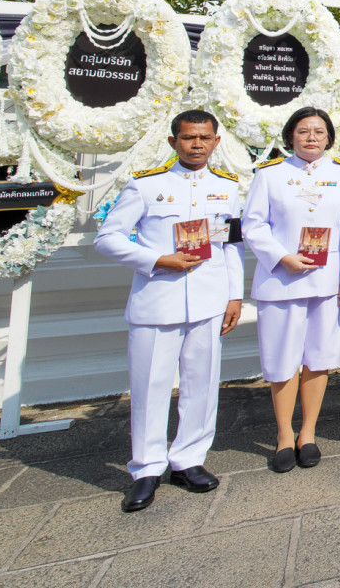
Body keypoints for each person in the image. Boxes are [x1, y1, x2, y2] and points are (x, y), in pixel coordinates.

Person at [96, 110, 244, 512]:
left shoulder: (227, 188)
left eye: (205, 138)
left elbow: (230, 245)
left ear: (216, 142)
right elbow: (107, 238)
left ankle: (189, 459)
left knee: (202, 383)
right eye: (189, 138)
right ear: (173, 141)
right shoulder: (146, 187)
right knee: (149, 387)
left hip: (209, 299)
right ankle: (146, 468)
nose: (197, 144)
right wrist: (158, 259)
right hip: (158, 298)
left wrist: (235, 295)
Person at [243, 107, 340, 472]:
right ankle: (282, 435)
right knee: (281, 361)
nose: (312, 137)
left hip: (328, 282)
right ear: (290, 136)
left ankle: (307, 433)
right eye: (304, 131)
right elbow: (253, 225)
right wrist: (281, 257)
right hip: (282, 280)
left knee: (320, 357)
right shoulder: (271, 175)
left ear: (329, 137)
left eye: (319, 132)